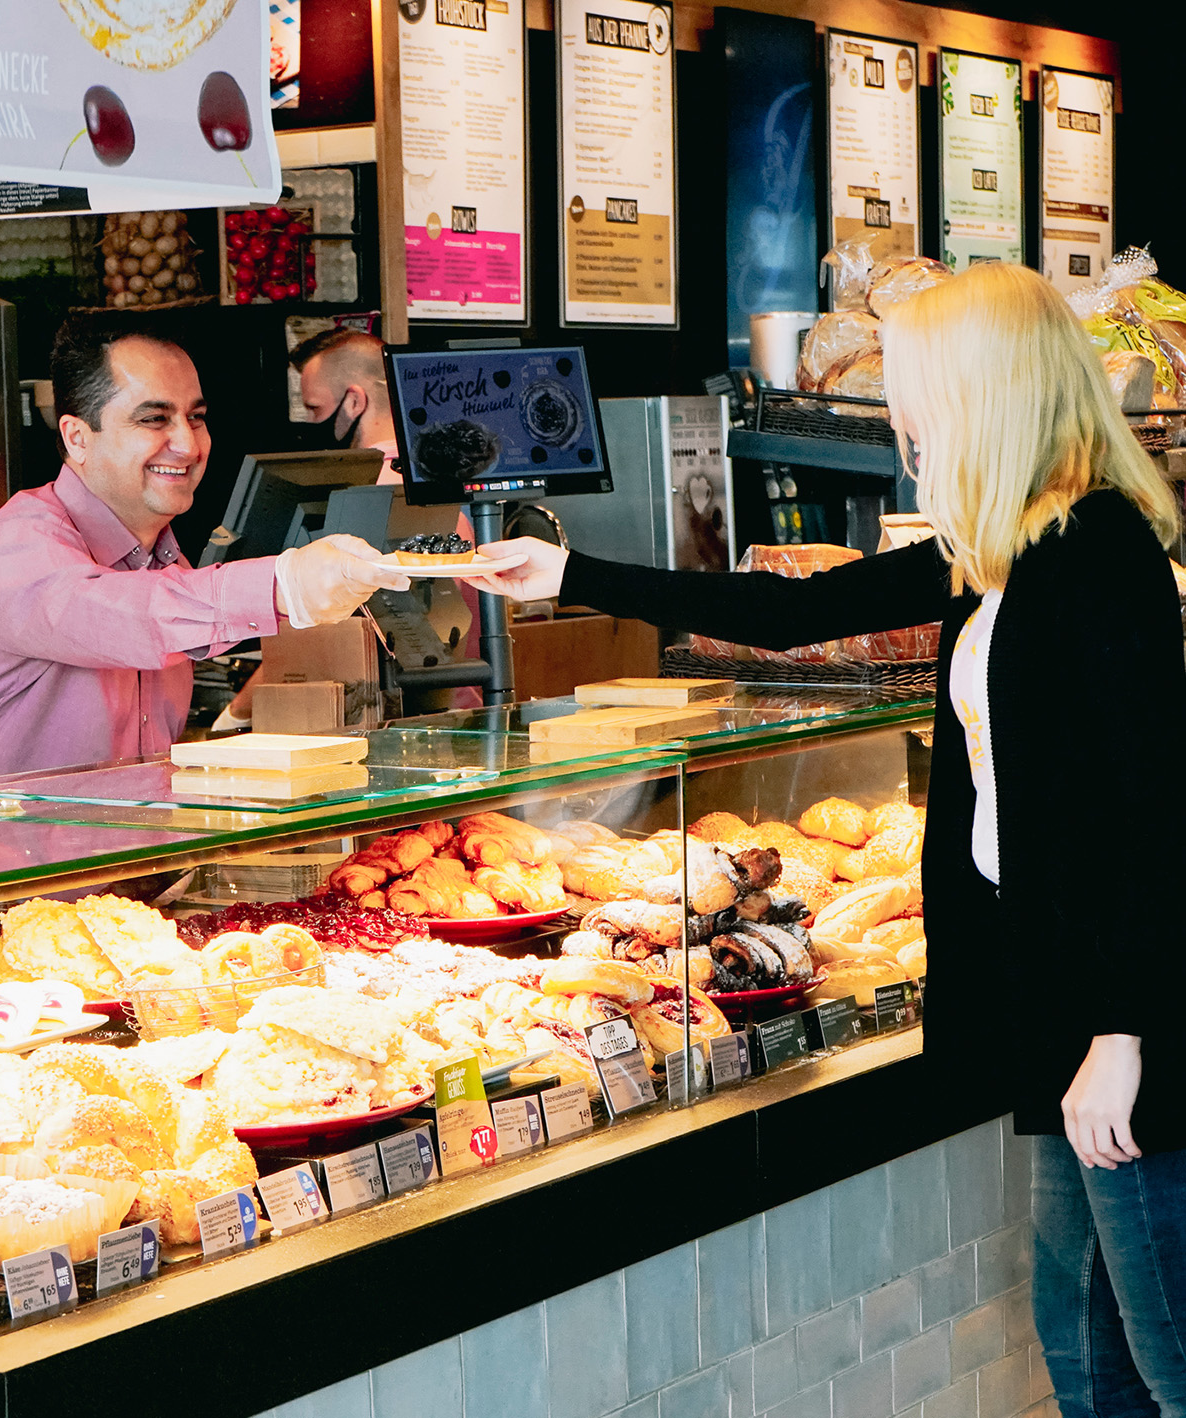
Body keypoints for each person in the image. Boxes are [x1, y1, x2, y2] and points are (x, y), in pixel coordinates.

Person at [470, 262, 1186, 1418]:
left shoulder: (1096, 557)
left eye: (911, 389)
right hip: (1056, 998)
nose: (898, 416)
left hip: (1123, 1017)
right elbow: (796, 610)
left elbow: (1144, 818)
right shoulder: (994, 551)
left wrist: (1121, 1034)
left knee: (1161, 1350)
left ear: (983, 391)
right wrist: (565, 572)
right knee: (1082, 1336)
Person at [0, 313, 410, 782]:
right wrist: (285, 585)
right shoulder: (15, 546)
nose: (189, 446)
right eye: (154, 419)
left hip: (117, 869)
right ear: (77, 437)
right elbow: (123, 616)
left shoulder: (161, 559)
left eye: (195, 417)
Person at [292, 326, 403, 482]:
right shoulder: (434, 474)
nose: (309, 420)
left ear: (354, 402)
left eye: (315, 408)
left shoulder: (347, 489)